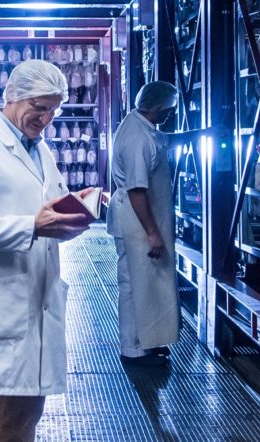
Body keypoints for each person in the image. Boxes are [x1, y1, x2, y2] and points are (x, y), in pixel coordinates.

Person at [0, 59, 91, 441]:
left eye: (53, 110)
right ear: (12, 97)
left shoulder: (41, 152)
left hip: (36, 307)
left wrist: (73, 214)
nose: (45, 118)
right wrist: (31, 226)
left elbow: (48, 211)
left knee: (23, 422)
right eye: (39, 107)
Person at [106, 81, 180, 366]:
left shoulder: (140, 125)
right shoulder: (138, 138)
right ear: (159, 108)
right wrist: (152, 233)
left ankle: (147, 342)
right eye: (170, 109)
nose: (171, 114)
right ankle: (134, 349)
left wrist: (201, 134)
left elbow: (165, 142)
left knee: (147, 283)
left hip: (141, 218)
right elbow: (137, 189)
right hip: (136, 221)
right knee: (134, 284)